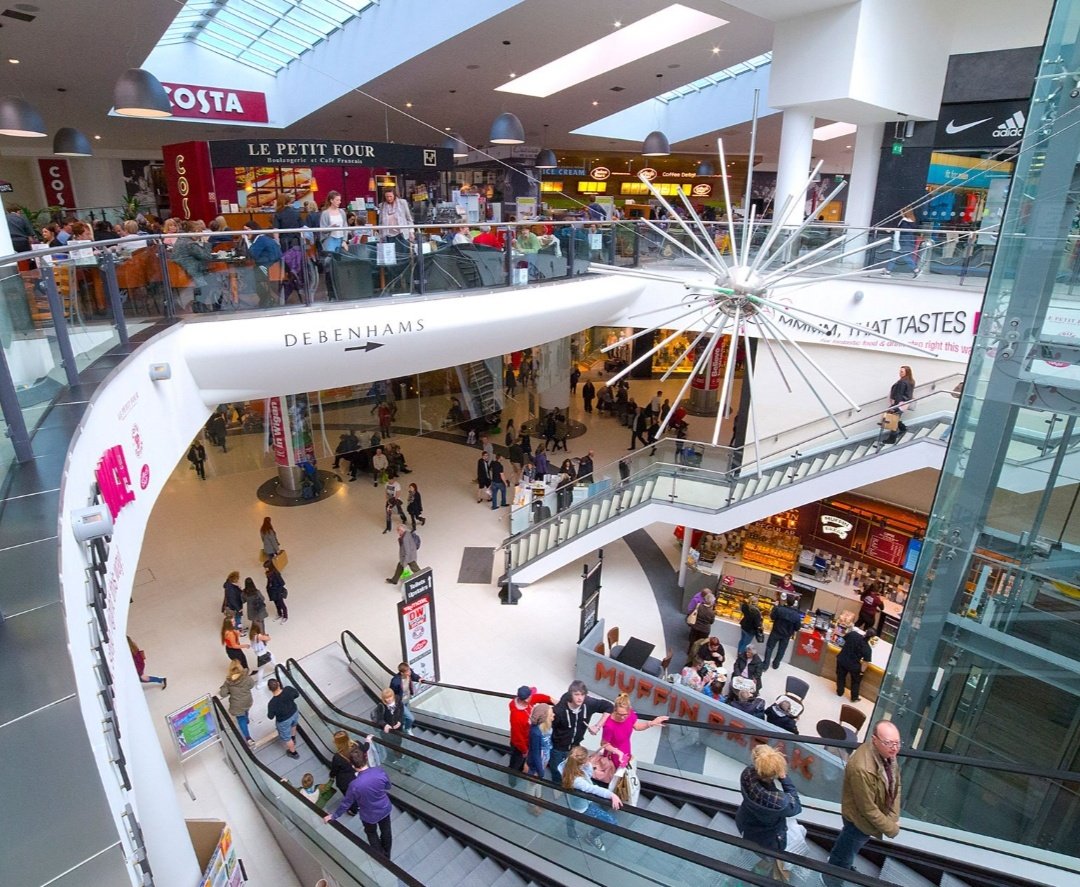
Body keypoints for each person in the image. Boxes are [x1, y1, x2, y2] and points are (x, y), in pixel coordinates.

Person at [825, 721, 902, 885]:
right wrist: (892, 828)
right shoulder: (863, 769)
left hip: (869, 820)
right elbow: (867, 809)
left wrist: (893, 817)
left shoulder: (887, 756)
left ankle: (843, 867)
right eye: (888, 743)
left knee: (850, 848)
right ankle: (831, 878)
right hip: (858, 821)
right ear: (875, 740)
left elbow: (896, 784)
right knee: (845, 850)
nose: (894, 748)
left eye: (897, 742)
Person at [735, 744, 802, 880]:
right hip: (769, 839)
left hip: (746, 822)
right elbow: (796, 807)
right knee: (768, 860)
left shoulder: (747, 774)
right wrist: (784, 779)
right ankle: (756, 877)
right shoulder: (779, 802)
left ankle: (749, 875)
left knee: (755, 850)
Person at [324, 746, 394, 859]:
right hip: (384, 808)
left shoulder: (354, 785)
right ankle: (387, 855)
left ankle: (382, 858)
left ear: (352, 765)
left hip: (368, 814)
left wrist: (334, 816)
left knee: (371, 833)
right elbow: (388, 786)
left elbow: (346, 803)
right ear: (366, 758)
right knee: (386, 830)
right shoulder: (379, 771)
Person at [548, 680, 614, 784]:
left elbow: (609, 707)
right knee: (556, 770)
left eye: (583, 695)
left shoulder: (588, 703)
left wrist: (598, 726)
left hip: (575, 747)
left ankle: (568, 785)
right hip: (558, 747)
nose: (580, 698)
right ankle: (557, 786)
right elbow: (550, 728)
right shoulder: (559, 710)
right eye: (576, 694)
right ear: (571, 695)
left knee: (574, 770)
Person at [559, 746, 623, 851]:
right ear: (582, 764)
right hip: (583, 806)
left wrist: (588, 761)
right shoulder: (578, 781)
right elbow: (592, 788)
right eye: (587, 759)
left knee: (571, 812)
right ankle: (592, 836)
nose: (589, 760)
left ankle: (571, 831)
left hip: (572, 800)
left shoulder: (567, 764)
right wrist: (611, 795)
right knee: (611, 822)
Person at [600, 692, 667, 769]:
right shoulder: (609, 725)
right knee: (614, 772)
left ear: (629, 710)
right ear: (614, 710)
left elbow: (637, 726)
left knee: (624, 770)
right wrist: (617, 752)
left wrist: (651, 723)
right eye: (619, 714)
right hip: (613, 754)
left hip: (625, 749)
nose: (622, 717)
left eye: (625, 714)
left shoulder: (630, 715)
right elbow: (604, 744)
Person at [508, 685, 555, 781]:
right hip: (520, 745)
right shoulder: (516, 717)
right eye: (530, 696)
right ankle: (512, 778)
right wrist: (524, 750)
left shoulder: (526, 701)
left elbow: (538, 697)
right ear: (525, 700)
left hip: (528, 739)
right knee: (516, 763)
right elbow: (518, 737)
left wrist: (551, 700)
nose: (532, 697)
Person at [328, 730, 370, 815]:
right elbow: (365, 748)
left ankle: (354, 810)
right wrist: (368, 741)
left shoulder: (337, 757)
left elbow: (334, 770)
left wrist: (331, 776)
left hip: (345, 781)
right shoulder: (357, 745)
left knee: (349, 796)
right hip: (359, 776)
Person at [219, 659, 256, 747]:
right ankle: (247, 719)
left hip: (237, 705)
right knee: (246, 710)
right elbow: (252, 685)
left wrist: (226, 689)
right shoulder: (247, 678)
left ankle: (248, 738)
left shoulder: (228, 682)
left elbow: (222, 693)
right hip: (247, 700)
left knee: (241, 719)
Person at [525, 703, 554, 815]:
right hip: (535, 766)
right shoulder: (536, 732)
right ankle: (531, 804)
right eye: (551, 714)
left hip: (543, 761)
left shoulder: (548, 728)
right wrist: (540, 771)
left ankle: (538, 799)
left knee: (539, 784)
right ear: (544, 717)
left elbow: (548, 743)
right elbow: (536, 753)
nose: (553, 716)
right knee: (532, 785)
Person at [836, 627, 875, 703]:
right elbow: (865, 663)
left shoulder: (853, 634)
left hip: (842, 659)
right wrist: (861, 672)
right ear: (872, 637)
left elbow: (841, 641)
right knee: (856, 681)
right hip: (853, 665)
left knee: (840, 677)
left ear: (866, 631)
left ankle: (840, 692)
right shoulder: (867, 649)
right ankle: (854, 697)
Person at [266, 678, 301, 759]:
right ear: (278, 683)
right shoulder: (288, 689)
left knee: (287, 738)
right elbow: (297, 694)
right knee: (293, 725)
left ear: (269, 689)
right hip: (294, 712)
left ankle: (293, 753)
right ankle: (293, 738)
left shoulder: (272, 703)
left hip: (283, 721)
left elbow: (270, 716)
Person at [764, 597, 803, 670]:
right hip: (786, 636)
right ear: (794, 603)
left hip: (775, 631)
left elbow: (772, 617)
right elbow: (797, 628)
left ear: (786, 601)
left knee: (769, 648)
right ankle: (775, 664)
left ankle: (765, 665)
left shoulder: (780, 609)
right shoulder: (796, 616)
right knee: (781, 650)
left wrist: (775, 607)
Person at [374, 687, 407, 768]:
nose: (388, 700)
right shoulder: (381, 706)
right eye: (386, 698)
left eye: (390, 697)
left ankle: (398, 753)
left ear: (393, 696)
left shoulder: (398, 702)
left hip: (398, 729)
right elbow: (379, 719)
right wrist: (385, 725)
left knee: (398, 742)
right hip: (387, 731)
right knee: (389, 745)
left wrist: (399, 722)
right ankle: (391, 758)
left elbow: (401, 714)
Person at [883, 207, 919, 277]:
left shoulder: (905, 221)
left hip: (903, 242)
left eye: (901, 212)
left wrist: (892, 230)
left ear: (905, 213)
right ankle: (888, 271)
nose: (900, 213)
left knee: (905, 257)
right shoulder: (911, 221)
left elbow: (902, 231)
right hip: (906, 241)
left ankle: (916, 269)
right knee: (894, 256)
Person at [883, 365, 915, 444]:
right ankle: (903, 428)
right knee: (895, 418)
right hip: (904, 404)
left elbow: (899, 395)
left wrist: (894, 407)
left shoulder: (902, 382)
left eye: (902, 372)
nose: (900, 373)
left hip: (899, 404)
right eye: (900, 371)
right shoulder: (911, 381)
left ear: (907, 372)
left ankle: (892, 439)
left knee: (893, 420)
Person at [389, 662, 422, 734]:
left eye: (409, 670)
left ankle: (403, 727)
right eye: (407, 672)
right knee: (411, 718)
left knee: (404, 716)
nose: (409, 672)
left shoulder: (410, 673)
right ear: (401, 673)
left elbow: (413, 675)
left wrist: (419, 678)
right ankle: (407, 728)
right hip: (400, 702)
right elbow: (391, 693)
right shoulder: (395, 681)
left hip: (407, 699)